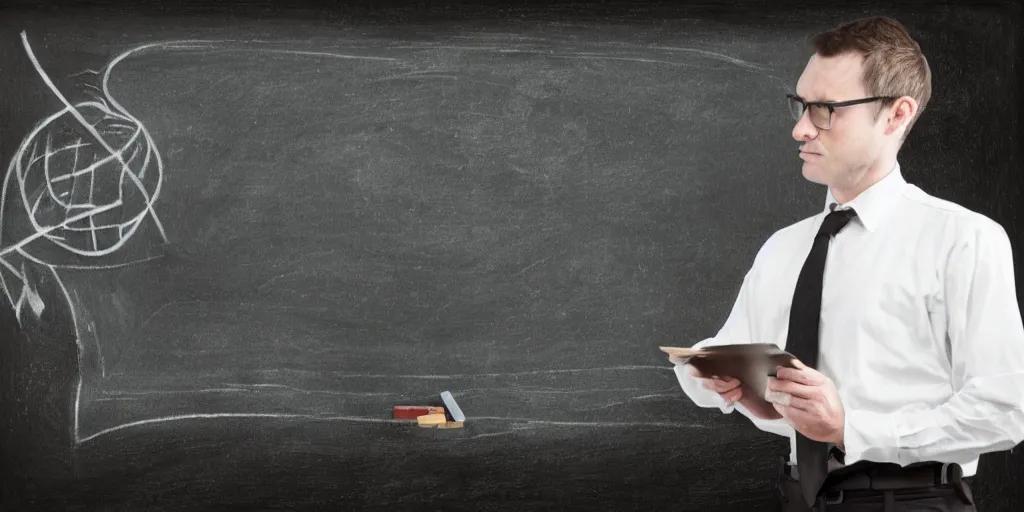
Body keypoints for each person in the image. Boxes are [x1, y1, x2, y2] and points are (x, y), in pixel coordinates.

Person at [669, 15, 1024, 512]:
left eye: (825, 110)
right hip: (798, 496)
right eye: (800, 105)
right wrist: (726, 386)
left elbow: (1004, 413)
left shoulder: (964, 240)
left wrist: (848, 428)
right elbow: (725, 358)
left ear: (897, 115)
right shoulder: (783, 248)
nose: (800, 128)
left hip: (913, 501)